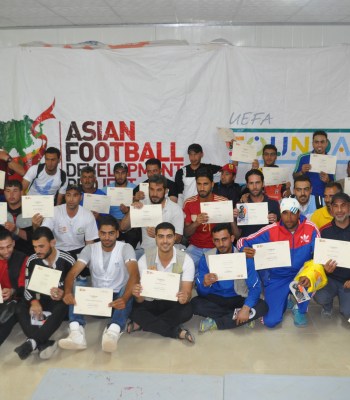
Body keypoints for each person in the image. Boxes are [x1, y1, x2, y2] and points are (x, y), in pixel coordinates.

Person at [58, 215, 139, 353]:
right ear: (98, 233)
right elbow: (72, 274)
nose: (107, 237)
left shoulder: (126, 248)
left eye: (111, 233)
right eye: (103, 233)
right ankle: (76, 332)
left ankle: (112, 332)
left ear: (117, 233)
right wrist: (68, 292)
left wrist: (124, 298)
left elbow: (134, 274)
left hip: (119, 301)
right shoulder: (90, 249)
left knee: (129, 287)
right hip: (97, 302)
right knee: (77, 286)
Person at [237, 197, 320, 328]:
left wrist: (310, 275)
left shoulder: (311, 229)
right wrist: (243, 249)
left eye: (293, 213)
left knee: (316, 276)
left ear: (299, 213)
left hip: (300, 276)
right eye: (285, 213)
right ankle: (285, 298)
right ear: (281, 214)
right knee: (271, 321)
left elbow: (319, 256)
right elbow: (243, 241)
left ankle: (300, 308)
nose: (289, 217)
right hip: (278, 277)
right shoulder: (271, 230)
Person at [192, 223, 268, 332]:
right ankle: (240, 317)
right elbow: (201, 293)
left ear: (232, 238)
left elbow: (255, 287)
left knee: (263, 306)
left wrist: (246, 307)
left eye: (224, 239)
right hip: (215, 298)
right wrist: (204, 285)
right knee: (195, 304)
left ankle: (217, 322)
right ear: (213, 241)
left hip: (238, 296)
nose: (221, 244)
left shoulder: (245, 257)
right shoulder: (207, 258)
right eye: (217, 240)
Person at [14, 227, 75, 360]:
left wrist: (64, 292)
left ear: (52, 243)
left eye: (41, 246)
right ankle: (42, 343)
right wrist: (34, 302)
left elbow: (76, 285)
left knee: (64, 305)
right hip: (39, 299)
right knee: (19, 308)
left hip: (58, 302)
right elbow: (27, 286)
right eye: (35, 247)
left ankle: (32, 342)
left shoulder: (68, 259)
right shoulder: (32, 260)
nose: (37, 251)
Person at [129, 222, 195, 343]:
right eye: (161, 236)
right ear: (155, 238)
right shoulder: (144, 259)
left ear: (175, 238)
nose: (165, 241)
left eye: (169, 236)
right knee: (132, 308)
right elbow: (141, 299)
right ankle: (176, 332)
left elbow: (187, 292)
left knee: (188, 310)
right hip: (151, 302)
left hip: (173, 302)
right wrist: (138, 295)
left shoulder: (186, 260)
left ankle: (144, 324)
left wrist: (185, 297)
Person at [120, 174, 184, 259]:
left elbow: (178, 238)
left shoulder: (175, 208)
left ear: (166, 191)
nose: (154, 194)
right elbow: (123, 227)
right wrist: (132, 209)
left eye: (159, 190)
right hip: (145, 251)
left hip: (168, 252)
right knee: (127, 260)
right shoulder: (142, 204)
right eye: (152, 189)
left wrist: (159, 235)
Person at [32, 184, 98, 259]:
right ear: (65, 196)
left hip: (80, 252)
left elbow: (89, 243)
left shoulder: (88, 215)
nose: (71, 199)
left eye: (75, 195)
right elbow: (44, 234)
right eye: (68, 195)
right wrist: (36, 227)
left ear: (80, 197)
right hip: (57, 252)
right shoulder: (54, 211)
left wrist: (87, 260)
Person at [313, 193, 350, 322]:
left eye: (343, 206)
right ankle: (327, 305)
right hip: (331, 278)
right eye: (336, 206)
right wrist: (325, 269)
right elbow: (317, 259)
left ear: (349, 208)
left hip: (349, 281)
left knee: (347, 313)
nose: (339, 210)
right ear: (331, 209)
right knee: (319, 296)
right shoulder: (324, 231)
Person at [183, 168, 228, 269]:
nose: (202, 187)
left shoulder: (223, 202)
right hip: (195, 247)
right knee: (181, 269)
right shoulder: (189, 203)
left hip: (216, 247)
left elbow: (231, 233)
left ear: (212, 184)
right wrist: (196, 223)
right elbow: (186, 233)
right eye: (199, 184)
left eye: (205, 184)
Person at [103, 162, 140, 249]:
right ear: (114, 174)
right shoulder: (106, 189)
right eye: (117, 172)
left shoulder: (134, 188)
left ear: (127, 174)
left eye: (123, 173)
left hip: (130, 223)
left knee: (133, 235)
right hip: (112, 222)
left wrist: (127, 210)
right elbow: (102, 210)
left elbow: (138, 209)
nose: (120, 176)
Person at [234, 169, 280, 239]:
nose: (254, 187)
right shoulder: (241, 205)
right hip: (248, 246)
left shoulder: (273, 203)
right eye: (251, 183)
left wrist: (276, 222)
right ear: (247, 185)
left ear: (263, 183)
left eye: (257, 183)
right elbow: (237, 236)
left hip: (268, 245)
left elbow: (281, 231)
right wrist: (232, 219)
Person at [0, 229, 27, 346]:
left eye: (9, 246)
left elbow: (23, 285)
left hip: (17, 299)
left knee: (7, 318)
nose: (6, 251)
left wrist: (12, 291)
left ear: (14, 243)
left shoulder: (21, 258)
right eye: (1, 248)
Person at [293, 130, 335, 197]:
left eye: (322, 142)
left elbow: (333, 184)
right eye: (316, 142)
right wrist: (302, 172)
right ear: (313, 143)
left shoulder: (331, 160)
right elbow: (294, 176)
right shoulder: (303, 157)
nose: (319, 145)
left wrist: (328, 180)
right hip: (306, 198)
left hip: (324, 198)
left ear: (327, 143)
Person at [2, 180, 34, 255]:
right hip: (3, 253)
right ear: (4, 193)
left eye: (15, 191)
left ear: (21, 192)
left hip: (26, 253)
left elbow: (36, 238)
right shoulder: (1, 209)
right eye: (8, 191)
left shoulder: (32, 211)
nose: (11, 194)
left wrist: (16, 230)